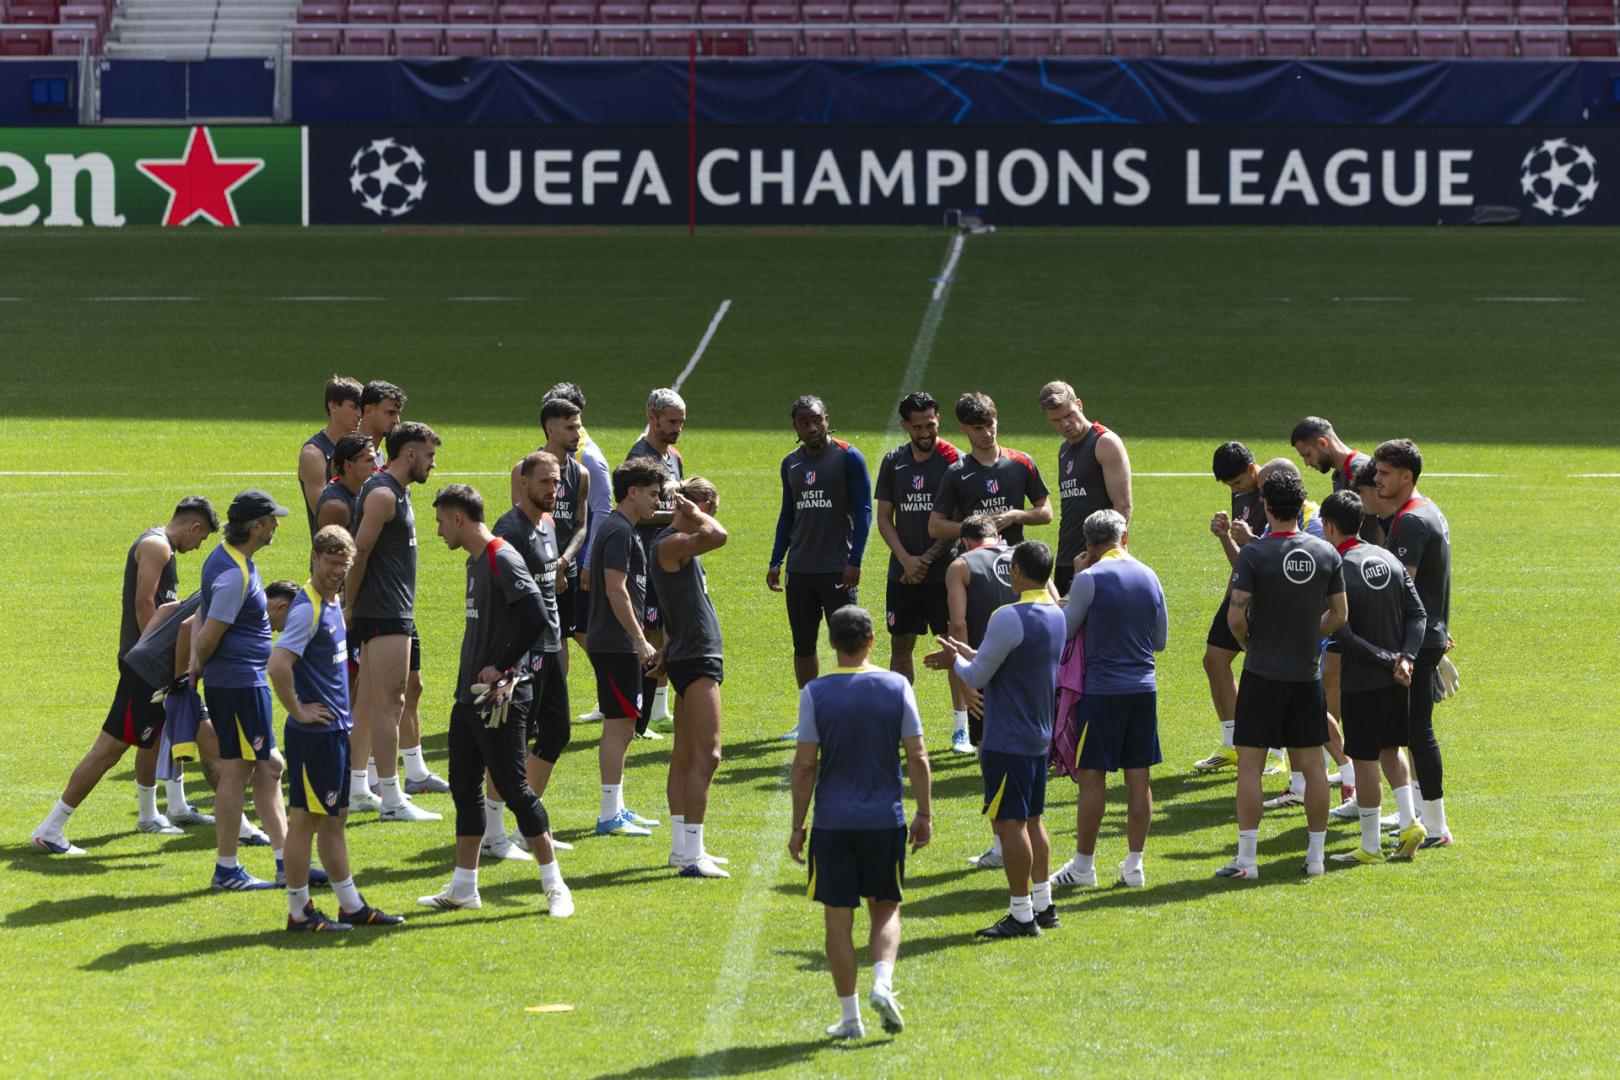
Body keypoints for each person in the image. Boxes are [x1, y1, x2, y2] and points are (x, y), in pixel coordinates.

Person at [417, 485, 574, 918]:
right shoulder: (475, 562)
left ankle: (556, 887)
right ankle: (463, 888)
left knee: (516, 790)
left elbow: (537, 617)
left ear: (458, 518)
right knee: (465, 791)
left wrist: (503, 667)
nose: (438, 531)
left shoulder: (501, 557)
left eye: (440, 522)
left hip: (500, 698)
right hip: (468, 698)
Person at [789, 606, 932, 1038]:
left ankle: (850, 1019)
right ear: (872, 640)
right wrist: (924, 813)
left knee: (838, 919)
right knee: (885, 908)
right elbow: (918, 756)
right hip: (884, 821)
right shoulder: (896, 686)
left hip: (832, 824)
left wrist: (797, 826)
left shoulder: (815, 693)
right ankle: (882, 983)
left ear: (831, 642)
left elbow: (805, 766)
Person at [269, 525, 405, 931]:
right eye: (330, 563)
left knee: (336, 817)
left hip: (335, 733)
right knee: (305, 820)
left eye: (343, 566)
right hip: (315, 736)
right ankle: (299, 912)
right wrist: (298, 710)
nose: (336, 572)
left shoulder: (331, 604)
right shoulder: (307, 608)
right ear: (314, 557)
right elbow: (278, 665)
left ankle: (351, 905)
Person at [1216, 471, 1347, 880]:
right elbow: (1340, 614)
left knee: (1250, 767)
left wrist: (1248, 644)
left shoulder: (1254, 554)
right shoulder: (1326, 553)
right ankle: (1316, 858)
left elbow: (1236, 615)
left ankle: (1247, 861)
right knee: (1313, 767)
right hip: (1305, 677)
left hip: (1262, 675)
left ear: (1266, 506)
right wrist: (1310, 635)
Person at [934, 542, 1065, 939]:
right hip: (1039, 734)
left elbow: (977, 677)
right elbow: (1010, 658)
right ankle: (1043, 905)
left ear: (1018, 573)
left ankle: (1021, 915)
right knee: (1033, 820)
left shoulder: (1008, 616)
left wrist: (956, 661)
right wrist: (969, 651)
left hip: (1007, 737)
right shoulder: (1056, 614)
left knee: (1010, 825)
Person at [32, 587, 213, 854]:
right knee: (107, 753)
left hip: (148, 669)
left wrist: (142, 650)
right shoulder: (235, 585)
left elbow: (167, 609)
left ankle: (149, 816)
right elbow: (187, 628)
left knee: (150, 742)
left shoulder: (219, 577)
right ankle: (50, 829)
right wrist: (179, 686)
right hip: (152, 677)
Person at [1049, 510, 1167, 890]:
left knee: (1092, 779)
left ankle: (1083, 867)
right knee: (1139, 779)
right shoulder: (1150, 576)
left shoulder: (1089, 579)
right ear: (1124, 538)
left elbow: (1065, 631)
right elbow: (1160, 642)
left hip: (1101, 694)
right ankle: (1134, 866)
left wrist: (1074, 581)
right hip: (1143, 690)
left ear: (1088, 545)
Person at [192, 491, 297, 891]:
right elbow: (208, 635)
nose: (276, 525)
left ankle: (288, 863)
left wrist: (197, 666)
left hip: (244, 683)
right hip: (238, 685)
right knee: (237, 772)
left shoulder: (229, 559)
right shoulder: (235, 574)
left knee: (270, 766)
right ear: (256, 526)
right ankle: (227, 869)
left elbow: (202, 613)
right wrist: (197, 666)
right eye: (272, 520)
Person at [1317, 492, 1430, 864]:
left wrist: (1388, 660)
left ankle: (1370, 846)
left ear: (1329, 526)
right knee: (1391, 750)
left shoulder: (1337, 568)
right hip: (1399, 679)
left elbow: (1343, 633)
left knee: (1364, 759)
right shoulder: (1389, 558)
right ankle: (1410, 823)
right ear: (1361, 521)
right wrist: (1406, 658)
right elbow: (1418, 614)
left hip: (1364, 680)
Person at [346, 420, 447, 820]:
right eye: (429, 455)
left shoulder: (394, 491)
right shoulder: (384, 494)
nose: (432, 463)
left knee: (370, 702)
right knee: (392, 703)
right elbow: (359, 552)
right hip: (385, 611)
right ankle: (391, 798)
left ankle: (357, 788)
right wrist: (350, 605)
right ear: (409, 453)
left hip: (385, 608)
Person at [483, 451, 575, 861]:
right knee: (510, 742)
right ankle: (493, 834)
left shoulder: (549, 524)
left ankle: (526, 825)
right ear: (523, 483)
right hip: (523, 650)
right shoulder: (510, 530)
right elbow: (500, 592)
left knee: (556, 732)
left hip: (550, 643)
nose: (553, 489)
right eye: (544, 482)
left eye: (556, 482)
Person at [1193, 445, 1300, 776]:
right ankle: (1234, 744)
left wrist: (1248, 539)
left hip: (1272, 597)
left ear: (1254, 470)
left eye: (1238, 482)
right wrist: (1225, 537)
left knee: (1271, 673)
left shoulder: (1279, 494)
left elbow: (1278, 555)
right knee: (1214, 660)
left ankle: (1276, 752)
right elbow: (1245, 561)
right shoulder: (1241, 495)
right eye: (1229, 486)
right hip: (1242, 592)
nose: (1235, 489)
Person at [769, 395, 873, 731]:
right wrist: (776, 559)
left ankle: (851, 713)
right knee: (803, 644)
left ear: (827, 418)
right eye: (804, 422)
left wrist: (855, 559)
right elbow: (788, 515)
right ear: (796, 427)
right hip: (800, 569)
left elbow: (864, 511)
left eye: (817, 420)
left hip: (837, 568)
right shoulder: (790, 464)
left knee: (849, 641)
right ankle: (809, 717)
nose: (812, 427)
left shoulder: (848, 457)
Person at [1373, 438, 1454, 849]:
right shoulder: (1428, 510)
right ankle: (1422, 814)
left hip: (1416, 641)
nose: (1377, 479)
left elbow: (1400, 589)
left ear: (1407, 477)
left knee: (1418, 733)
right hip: (1428, 635)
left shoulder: (1411, 521)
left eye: (1384, 473)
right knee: (1412, 730)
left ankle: (1437, 827)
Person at [124, 497, 220, 831]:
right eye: (201, 538)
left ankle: (176, 806)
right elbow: (144, 603)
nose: (197, 547)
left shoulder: (161, 547)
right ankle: (148, 814)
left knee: (173, 727)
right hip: (147, 662)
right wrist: (152, 652)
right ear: (193, 527)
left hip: (154, 659)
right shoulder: (157, 547)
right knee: (146, 738)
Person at [650, 477, 730, 878]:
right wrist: (694, 512)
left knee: (684, 755)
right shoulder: (672, 544)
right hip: (697, 657)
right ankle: (693, 856)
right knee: (708, 755)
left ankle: (682, 849)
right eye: (710, 507)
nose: (710, 516)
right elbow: (719, 536)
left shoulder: (671, 544)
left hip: (686, 652)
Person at [873, 392, 964, 732]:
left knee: (954, 646)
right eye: (918, 427)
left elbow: (959, 519)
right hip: (903, 573)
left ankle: (961, 726)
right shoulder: (893, 461)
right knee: (900, 646)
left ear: (938, 419)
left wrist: (924, 559)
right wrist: (906, 560)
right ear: (905, 426)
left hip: (945, 573)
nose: (926, 433)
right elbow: (884, 517)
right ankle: (903, 722)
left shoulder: (954, 460)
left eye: (930, 424)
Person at [585, 457, 666, 837]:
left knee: (625, 725)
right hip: (615, 644)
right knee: (619, 727)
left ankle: (616, 807)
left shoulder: (622, 528)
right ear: (631, 492)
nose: (657, 501)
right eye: (653, 494)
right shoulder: (618, 531)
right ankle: (608, 815)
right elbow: (616, 590)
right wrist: (639, 639)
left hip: (617, 642)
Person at [627, 388, 688, 736]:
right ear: (653, 418)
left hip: (667, 560)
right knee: (649, 636)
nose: (677, 428)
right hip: (646, 562)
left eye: (681, 422)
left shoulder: (673, 456)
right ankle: (641, 715)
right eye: (671, 422)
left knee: (666, 633)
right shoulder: (640, 457)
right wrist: (678, 516)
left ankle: (655, 711)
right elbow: (636, 511)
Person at [1038, 381, 1132, 596]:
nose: (1065, 424)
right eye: (1056, 420)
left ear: (1079, 405)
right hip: (1068, 558)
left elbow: (1123, 506)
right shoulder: (1064, 450)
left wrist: (1105, 555)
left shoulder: (1104, 442)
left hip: (1098, 558)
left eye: (1069, 415)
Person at [928, 392, 1051, 548]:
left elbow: (1046, 512)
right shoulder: (956, 473)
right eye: (978, 428)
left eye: (989, 425)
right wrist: (976, 527)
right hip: (974, 559)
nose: (987, 433)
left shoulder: (1021, 462)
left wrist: (1014, 515)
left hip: (1013, 557)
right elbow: (935, 527)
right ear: (963, 428)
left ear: (996, 419)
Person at [941, 514, 1014, 760]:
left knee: (987, 741)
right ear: (998, 537)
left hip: (984, 661)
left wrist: (967, 678)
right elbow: (1055, 605)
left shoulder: (960, 565)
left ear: (965, 543)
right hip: (1028, 658)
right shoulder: (1026, 555)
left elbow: (958, 624)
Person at [299, 375, 363, 536]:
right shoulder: (314, 454)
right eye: (354, 407)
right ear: (333, 406)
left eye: (361, 407)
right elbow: (324, 514)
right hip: (333, 548)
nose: (360, 414)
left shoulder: (365, 448)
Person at [315, 432, 376, 534]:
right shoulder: (335, 508)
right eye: (369, 460)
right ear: (348, 466)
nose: (376, 466)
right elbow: (334, 544)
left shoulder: (365, 492)